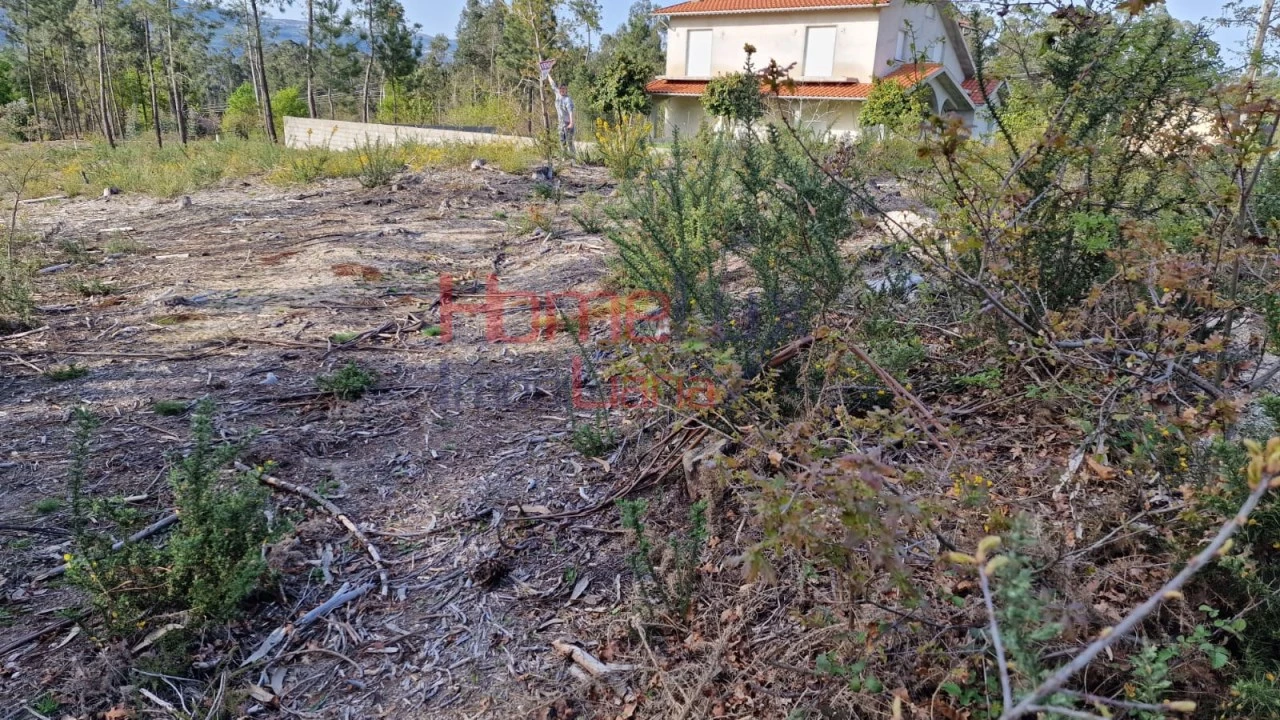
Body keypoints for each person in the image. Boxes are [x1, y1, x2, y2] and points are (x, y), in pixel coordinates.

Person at [554, 83, 576, 159]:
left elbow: (571, 112)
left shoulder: (568, 100)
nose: (562, 90)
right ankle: (564, 158)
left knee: (569, 142)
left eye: (564, 89)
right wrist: (546, 73)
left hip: (568, 123)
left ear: (566, 90)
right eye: (561, 88)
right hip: (560, 124)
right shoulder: (557, 94)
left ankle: (573, 159)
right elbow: (552, 84)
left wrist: (571, 123)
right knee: (562, 142)